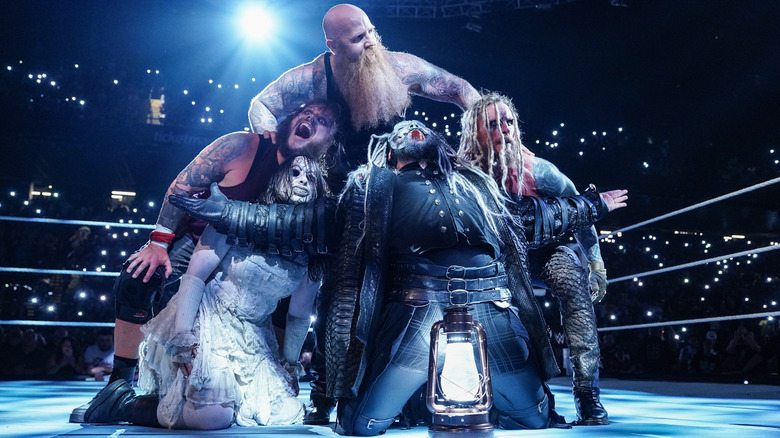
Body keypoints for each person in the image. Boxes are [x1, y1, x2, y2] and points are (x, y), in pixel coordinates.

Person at [249, 4, 480, 424]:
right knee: (338, 296)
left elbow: (461, 90)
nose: (371, 40)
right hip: (340, 199)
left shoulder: (400, 65)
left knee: (407, 294)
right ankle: (324, 390)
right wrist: (277, 152)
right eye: (358, 38)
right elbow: (261, 105)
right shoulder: (315, 77)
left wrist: (479, 135)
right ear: (332, 45)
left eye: (371, 31)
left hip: (398, 197)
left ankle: (408, 397)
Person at [323, 120, 627, 434]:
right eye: (401, 129)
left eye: (420, 125)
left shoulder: (478, 184)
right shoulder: (371, 184)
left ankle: (482, 400)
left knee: (534, 418)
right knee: (361, 424)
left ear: (440, 145)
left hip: (492, 304)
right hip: (416, 309)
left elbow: (532, 216)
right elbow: (330, 242)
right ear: (389, 151)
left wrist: (593, 204)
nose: (413, 127)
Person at [70, 100, 340, 422]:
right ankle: (118, 387)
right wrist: (158, 242)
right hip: (205, 239)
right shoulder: (244, 146)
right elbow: (184, 185)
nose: (309, 118)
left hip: (255, 282)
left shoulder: (320, 192)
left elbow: (300, 309)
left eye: (322, 120)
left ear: (330, 141)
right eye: (305, 112)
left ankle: (262, 379)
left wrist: (288, 364)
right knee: (140, 275)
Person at [458, 93, 609, 424]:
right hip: (496, 258)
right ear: (475, 132)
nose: (505, 130)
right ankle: (519, 392)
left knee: (574, 287)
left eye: (509, 121)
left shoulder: (539, 171)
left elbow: (583, 210)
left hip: (545, 250)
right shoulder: (462, 175)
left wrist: (597, 266)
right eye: (494, 124)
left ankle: (587, 393)